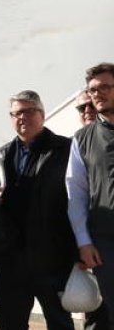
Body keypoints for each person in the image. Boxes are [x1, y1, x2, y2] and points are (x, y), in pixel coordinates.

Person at [0, 90, 75, 330]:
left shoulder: (65, 149)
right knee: (10, 324)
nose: (21, 118)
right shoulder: (0, 156)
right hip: (10, 260)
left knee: (60, 323)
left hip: (52, 256)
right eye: (16, 114)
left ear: (42, 114)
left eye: (27, 111)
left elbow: (77, 199)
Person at [67, 62, 114, 327]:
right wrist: (84, 241)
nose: (98, 94)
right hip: (106, 243)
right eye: (93, 89)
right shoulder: (82, 138)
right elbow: (76, 193)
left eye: (105, 87)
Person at [75, 88, 110, 330]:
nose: (88, 110)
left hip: (107, 241)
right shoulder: (75, 143)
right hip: (87, 248)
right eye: (81, 107)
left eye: (90, 105)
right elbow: (72, 199)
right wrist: (80, 244)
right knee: (96, 317)